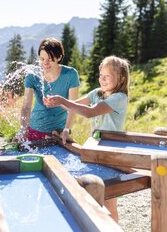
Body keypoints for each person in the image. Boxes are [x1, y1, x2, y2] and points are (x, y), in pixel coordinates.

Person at [44, 55, 130, 222]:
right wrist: (55, 102)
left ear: (121, 79)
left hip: (111, 153)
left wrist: (64, 101)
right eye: (101, 75)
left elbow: (89, 112)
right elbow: (74, 105)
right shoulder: (97, 93)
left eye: (107, 76)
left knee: (109, 201)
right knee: (94, 196)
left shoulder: (119, 98)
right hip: (95, 149)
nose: (102, 79)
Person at [13, 37, 79, 144]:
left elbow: (74, 107)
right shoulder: (32, 76)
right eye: (42, 59)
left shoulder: (70, 75)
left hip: (58, 133)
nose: (45, 63)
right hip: (34, 130)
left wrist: (66, 130)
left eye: (50, 59)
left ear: (59, 57)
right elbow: (26, 106)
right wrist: (22, 129)